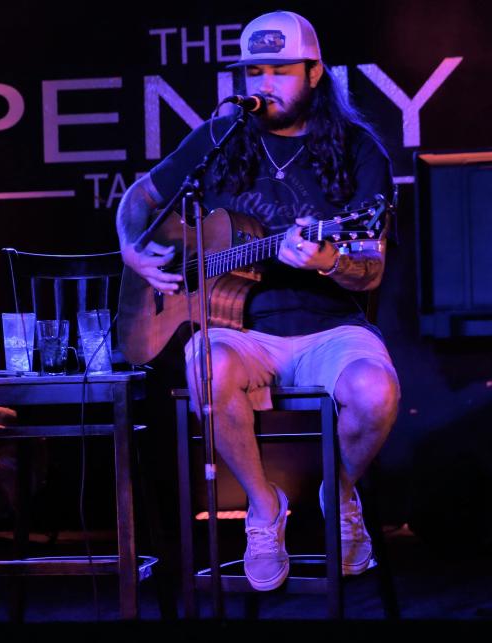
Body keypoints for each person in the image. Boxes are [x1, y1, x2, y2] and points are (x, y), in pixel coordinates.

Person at [117, 11, 400, 591]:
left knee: (376, 392)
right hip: (241, 331)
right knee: (204, 368)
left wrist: (332, 260)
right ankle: (263, 508)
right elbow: (138, 202)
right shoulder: (219, 140)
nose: (263, 85)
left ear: (315, 72)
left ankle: (338, 492)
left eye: (280, 71)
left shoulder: (357, 149)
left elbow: (370, 270)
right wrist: (132, 251)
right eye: (253, 72)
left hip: (329, 328)